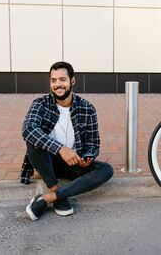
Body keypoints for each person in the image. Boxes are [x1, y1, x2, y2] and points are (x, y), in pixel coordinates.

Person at [20, 61, 113, 221]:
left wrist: (87, 156)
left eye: (62, 79)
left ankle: (49, 198)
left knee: (106, 170)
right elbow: (28, 130)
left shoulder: (87, 108)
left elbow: (93, 142)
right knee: (33, 142)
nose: (57, 85)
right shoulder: (40, 104)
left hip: (74, 163)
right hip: (48, 162)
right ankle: (55, 190)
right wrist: (61, 149)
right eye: (53, 80)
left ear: (72, 81)